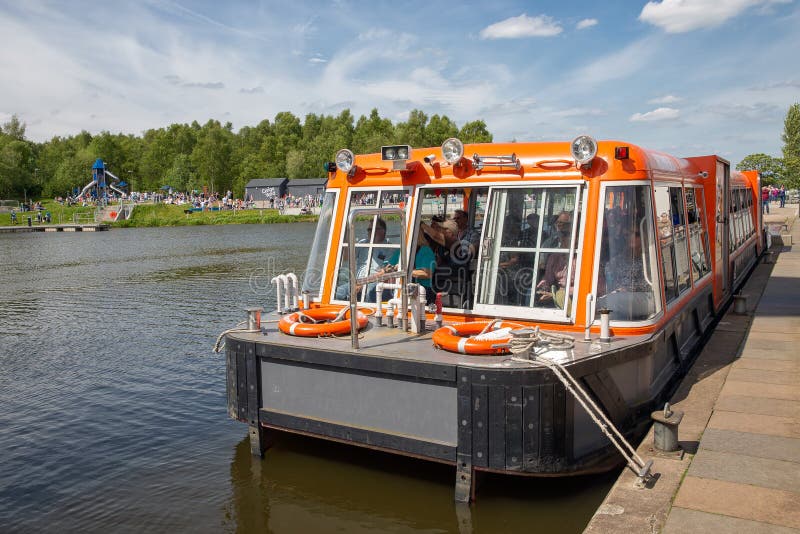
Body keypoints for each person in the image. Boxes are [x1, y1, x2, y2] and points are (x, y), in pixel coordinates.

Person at [536, 211, 573, 308]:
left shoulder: (583, 258)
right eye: (558, 223)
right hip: (558, 297)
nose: (562, 238)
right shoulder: (554, 255)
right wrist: (544, 288)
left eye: (564, 224)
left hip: (574, 298)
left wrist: (557, 294)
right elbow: (547, 278)